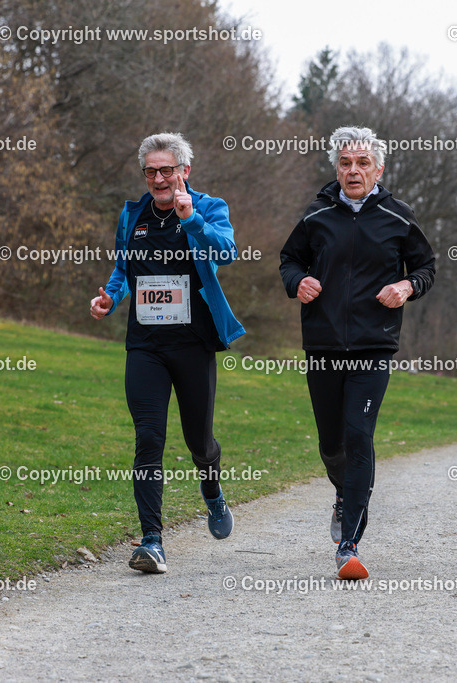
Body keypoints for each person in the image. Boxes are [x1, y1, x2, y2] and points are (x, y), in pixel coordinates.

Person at [280, 126, 436, 580]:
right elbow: (289, 260)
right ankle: (346, 493)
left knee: (357, 433)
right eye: (346, 163)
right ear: (337, 168)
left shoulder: (399, 217)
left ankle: (348, 545)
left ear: (379, 169)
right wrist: (298, 282)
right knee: (331, 444)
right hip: (324, 346)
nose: (354, 170)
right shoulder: (316, 215)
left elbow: (426, 266)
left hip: (374, 346)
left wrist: (407, 285)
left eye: (363, 163)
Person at [90, 132, 245, 573]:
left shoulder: (209, 208)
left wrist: (190, 218)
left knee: (199, 441)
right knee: (149, 438)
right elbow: (123, 267)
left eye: (167, 170)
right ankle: (152, 541)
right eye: (151, 171)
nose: (158, 179)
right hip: (146, 346)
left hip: (193, 344)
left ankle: (212, 491)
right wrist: (110, 298)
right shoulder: (132, 214)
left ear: (184, 172)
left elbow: (227, 252)